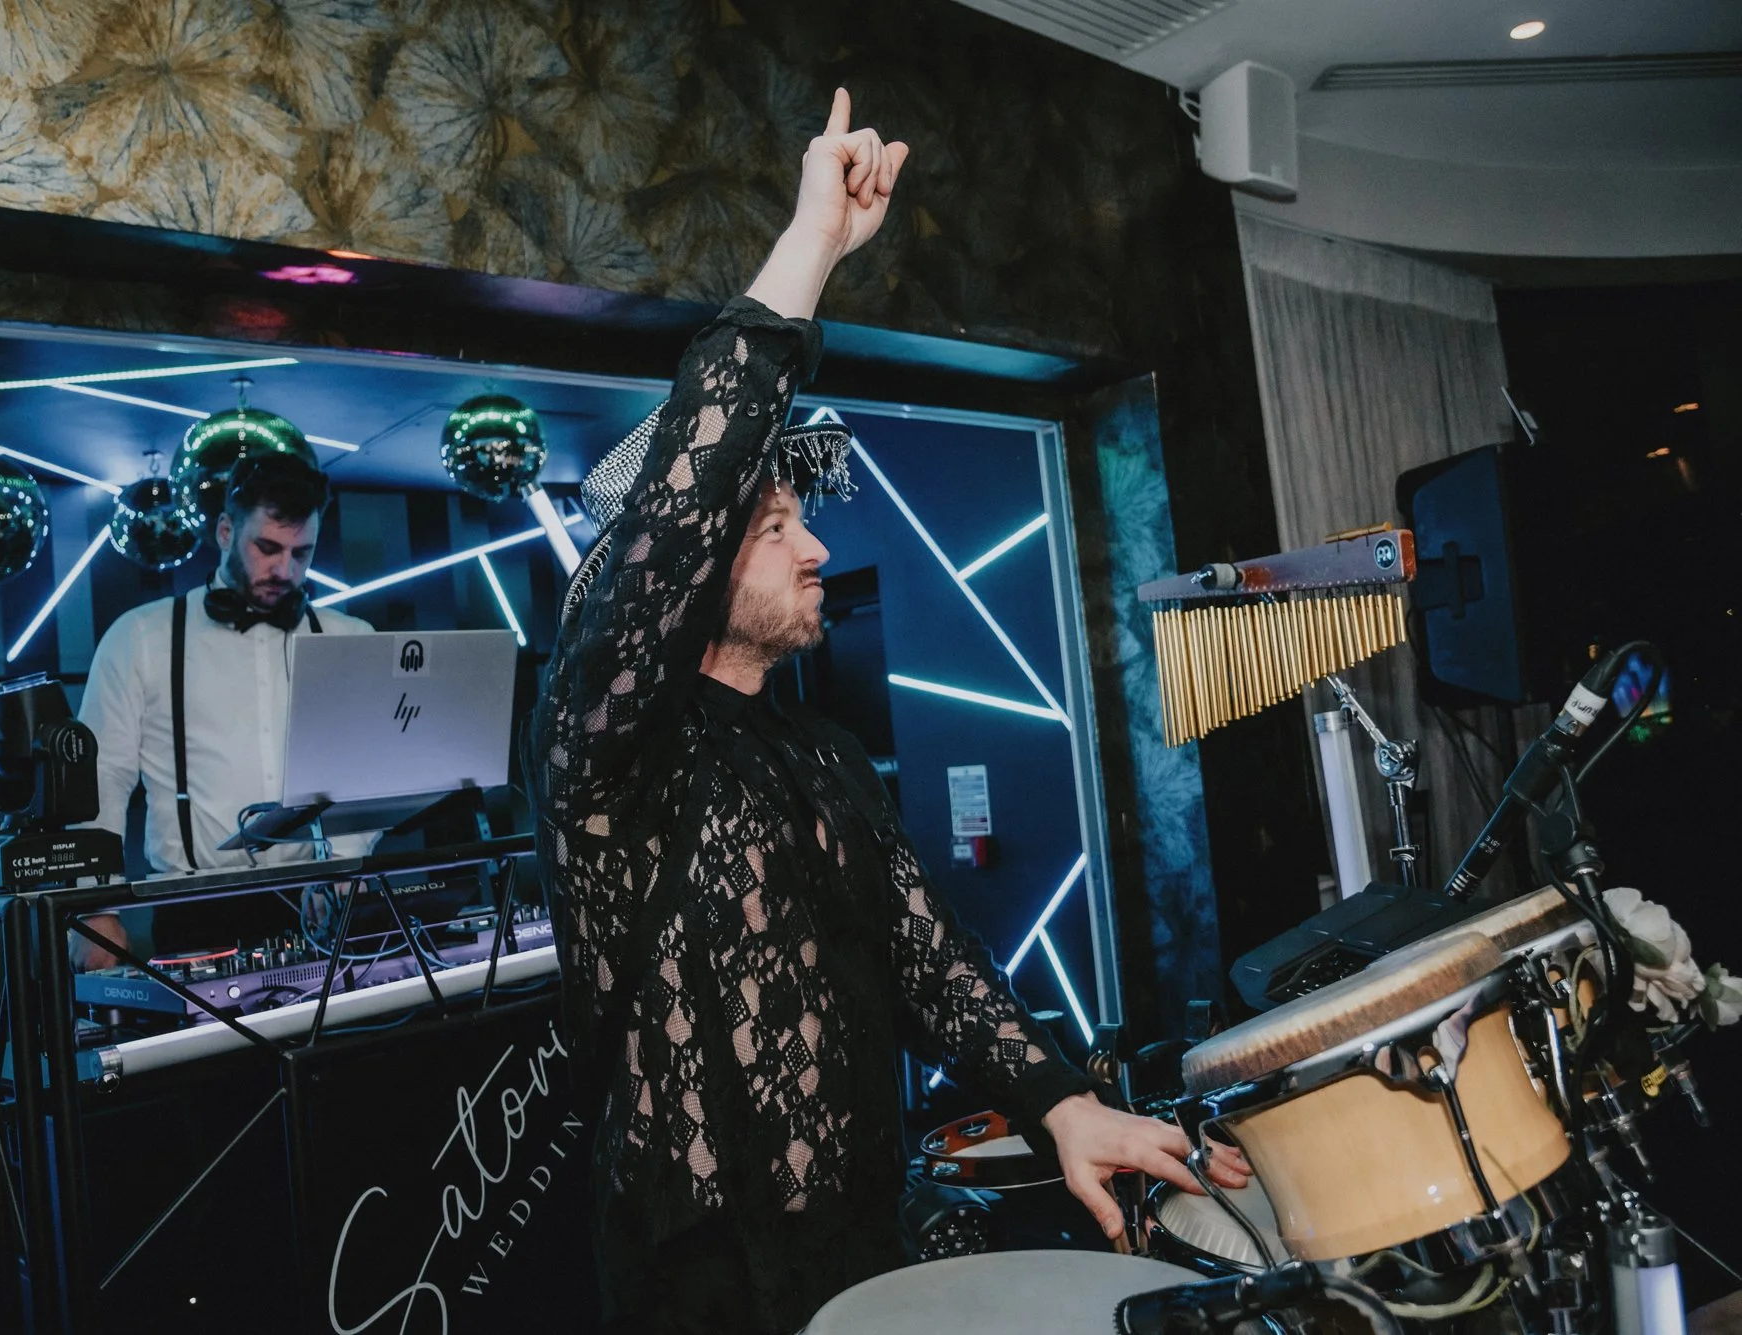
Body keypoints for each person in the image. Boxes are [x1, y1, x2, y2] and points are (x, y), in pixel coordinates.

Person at [534, 89, 1248, 1333]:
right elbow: (683, 492)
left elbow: (928, 958)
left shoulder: (819, 748)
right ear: (693, 567)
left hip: (867, 1238)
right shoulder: (611, 743)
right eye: (774, 527)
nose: (815, 550)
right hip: (698, 1284)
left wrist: (1058, 1102)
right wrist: (811, 244)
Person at [73, 451, 373, 968]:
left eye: (302, 553)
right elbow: (99, 781)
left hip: (323, 906)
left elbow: (368, 774)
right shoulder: (141, 638)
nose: (285, 569)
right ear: (225, 531)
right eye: (267, 547)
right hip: (195, 911)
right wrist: (93, 907)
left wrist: (343, 870)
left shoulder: (350, 639)